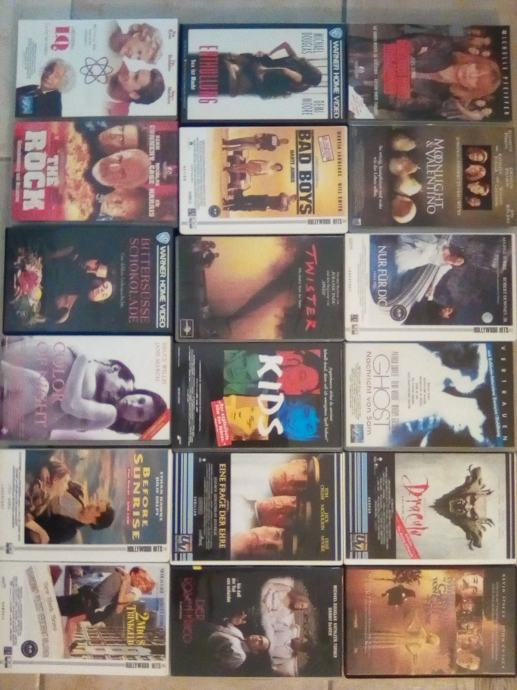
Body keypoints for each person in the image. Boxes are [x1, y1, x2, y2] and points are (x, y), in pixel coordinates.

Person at [0, 340, 166, 439]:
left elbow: (70, 404)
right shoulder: (97, 392)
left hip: (19, 416)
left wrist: (82, 358)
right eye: (140, 400)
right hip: (19, 393)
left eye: (139, 413)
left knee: (39, 386)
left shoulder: (110, 414)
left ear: (133, 423)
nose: (134, 404)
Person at [349, 32, 502, 119]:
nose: (472, 74)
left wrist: (400, 63)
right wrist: (397, 82)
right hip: (355, 54)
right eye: (477, 68)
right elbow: (404, 45)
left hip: (355, 91)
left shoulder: (435, 101)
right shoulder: (443, 46)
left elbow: (392, 101)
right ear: (473, 61)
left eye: (477, 80)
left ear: (471, 89)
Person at [57, 566, 155, 647]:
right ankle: (69, 644)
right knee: (71, 618)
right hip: (98, 604)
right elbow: (118, 608)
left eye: (142, 582)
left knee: (72, 620)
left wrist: (125, 583)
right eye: (139, 579)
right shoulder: (126, 582)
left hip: (100, 608)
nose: (140, 584)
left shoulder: (136, 593)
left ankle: (66, 646)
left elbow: (120, 602)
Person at [223, 192, 296, 212]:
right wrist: (284, 201)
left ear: (294, 201)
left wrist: (284, 202)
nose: (292, 198)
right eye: (293, 196)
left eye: (294, 199)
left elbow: (280, 208)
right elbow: (282, 195)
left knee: (247, 207)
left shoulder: (287, 208)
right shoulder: (285, 195)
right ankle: (229, 202)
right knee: (247, 198)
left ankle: (230, 208)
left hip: (264, 206)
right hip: (265, 198)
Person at [222, 134, 289, 151]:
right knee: (241, 140)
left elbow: (265, 148)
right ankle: (227, 142)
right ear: (282, 138)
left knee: (241, 147)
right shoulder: (275, 136)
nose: (282, 140)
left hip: (257, 146)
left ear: (283, 144)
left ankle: (226, 149)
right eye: (283, 139)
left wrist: (259, 147)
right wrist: (258, 136)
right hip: (256, 139)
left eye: (284, 142)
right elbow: (266, 134)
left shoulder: (274, 147)